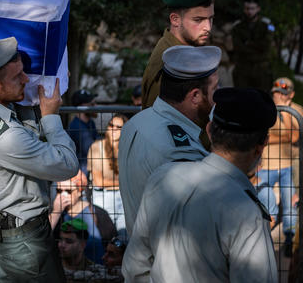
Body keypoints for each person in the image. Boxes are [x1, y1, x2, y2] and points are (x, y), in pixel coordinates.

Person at [123, 87, 278, 282]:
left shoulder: (162, 177)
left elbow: (135, 267)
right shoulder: (247, 213)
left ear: (209, 130)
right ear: (261, 146)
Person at [0, 36, 79, 282]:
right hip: (24, 240)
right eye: (18, 77)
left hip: (7, 231)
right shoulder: (4, 137)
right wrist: (51, 118)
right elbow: (67, 165)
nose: (26, 79)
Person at [120, 45, 220, 234]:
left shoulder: (136, 122)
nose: (217, 98)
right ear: (195, 96)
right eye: (215, 89)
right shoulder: (180, 150)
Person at [141, 0, 216, 108]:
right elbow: (160, 117)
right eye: (198, 20)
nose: (208, 28)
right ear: (175, 19)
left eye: (210, 19)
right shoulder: (169, 66)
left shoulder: (183, 51)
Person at [257, 76, 299, 255]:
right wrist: (284, 137)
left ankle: (289, 240)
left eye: (284, 93)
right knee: (265, 206)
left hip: (288, 166)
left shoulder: (297, 110)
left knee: (290, 205)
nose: (279, 96)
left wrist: (287, 111)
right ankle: (261, 241)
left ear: (291, 95)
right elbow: (261, 137)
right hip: (265, 166)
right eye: (277, 93)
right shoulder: (264, 109)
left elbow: (294, 136)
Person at [50, 170, 115, 264]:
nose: (63, 195)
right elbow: (44, 236)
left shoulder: (97, 213)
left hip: (95, 268)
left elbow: (110, 242)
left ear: (80, 192)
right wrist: (56, 212)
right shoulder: (56, 215)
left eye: (68, 191)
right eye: (59, 191)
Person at [87, 114, 127, 235]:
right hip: (103, 197)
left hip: (124, 197)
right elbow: (99, 181)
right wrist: (125, 183)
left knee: (124, 236)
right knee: (104, 236)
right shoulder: (97, 147)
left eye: (118, 127)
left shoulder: (128, 148)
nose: (113, 129)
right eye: (111, 125)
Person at [229, 0, 275, 89]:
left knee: (262, 95)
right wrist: (256, 46)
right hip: (243, 69)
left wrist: (247, 43)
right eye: (247, 9)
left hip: (261, 69)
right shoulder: (237, 26)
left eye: (252, 8)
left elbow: (266, 45)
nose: (250, 12)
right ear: (244, 9)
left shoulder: (267, 25)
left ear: (258, 9)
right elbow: (238, 47)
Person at [68, 89, 99, 175]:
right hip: (82, 173)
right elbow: (93, 150)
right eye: (92, 104)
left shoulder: (90, 122)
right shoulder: (76, 127)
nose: (96, 106)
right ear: (82, 107)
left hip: (90, 168)